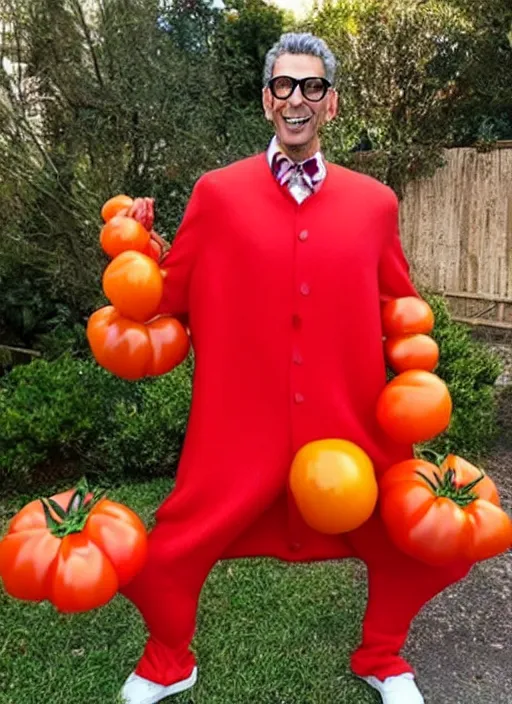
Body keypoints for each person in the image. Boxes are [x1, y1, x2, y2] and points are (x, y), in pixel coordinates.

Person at [120, 32, 471, 704]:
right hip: (238, 422)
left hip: (351, 422)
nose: (297, 98)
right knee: (168, 552)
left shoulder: (375, 204)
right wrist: (136, 246)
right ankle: (170, 661)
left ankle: (383, 657)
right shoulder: (217, 194)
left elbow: (401, 304)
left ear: (332, 104)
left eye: (312, 86)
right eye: (284, 85)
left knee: (420, 542)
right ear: (265, 100)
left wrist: (418, 377)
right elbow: (167, 297)